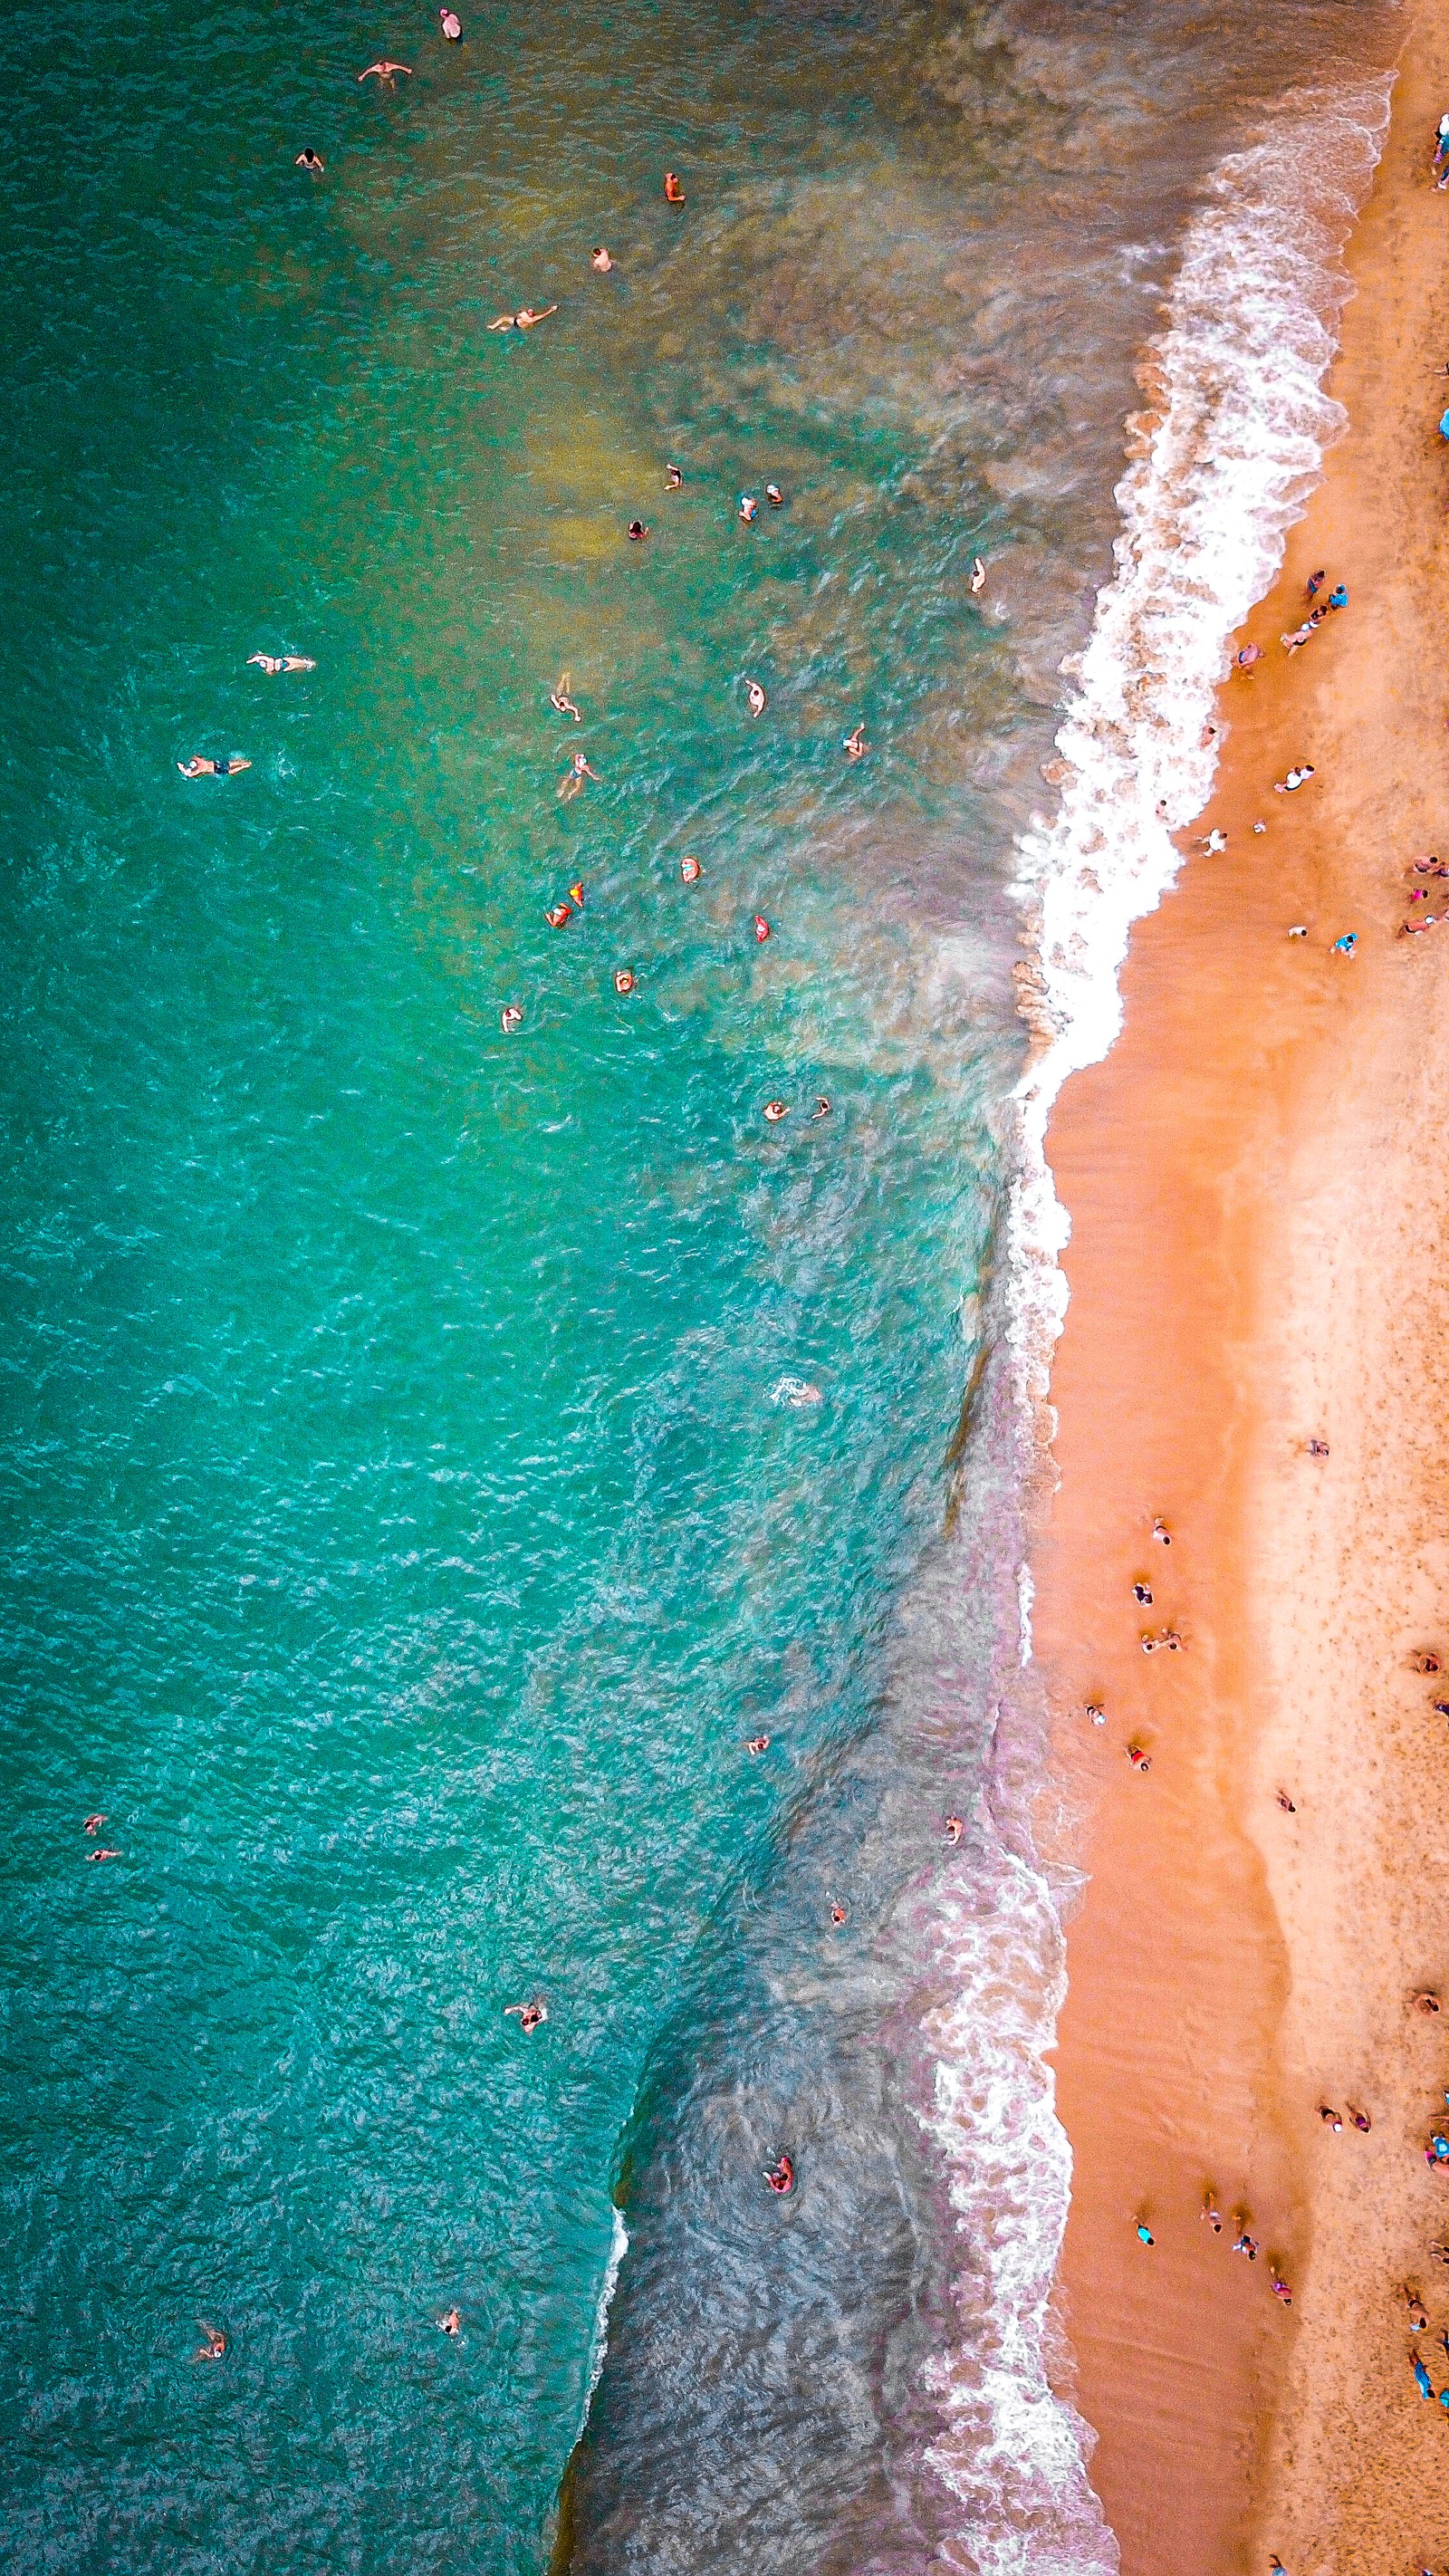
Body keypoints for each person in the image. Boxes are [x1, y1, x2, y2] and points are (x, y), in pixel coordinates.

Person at [178, 756, 250, 777]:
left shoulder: (199, 769)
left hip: (215, 769)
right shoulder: (199, 760)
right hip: (216, 763)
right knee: (229, 764)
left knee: (230, 772)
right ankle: (246, 762)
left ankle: (244, 766)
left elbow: (189, 774)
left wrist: (182, 768)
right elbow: (197, 756)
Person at [247, 653, 315, 673]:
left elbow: (258, 657)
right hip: (283, 666)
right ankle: (305, 664)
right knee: (296, 665)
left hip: (283, 663)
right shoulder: (268, 667)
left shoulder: (267, 660)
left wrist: (251, 661)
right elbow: (270, 673)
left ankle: (305, 663)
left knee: (296, 663)